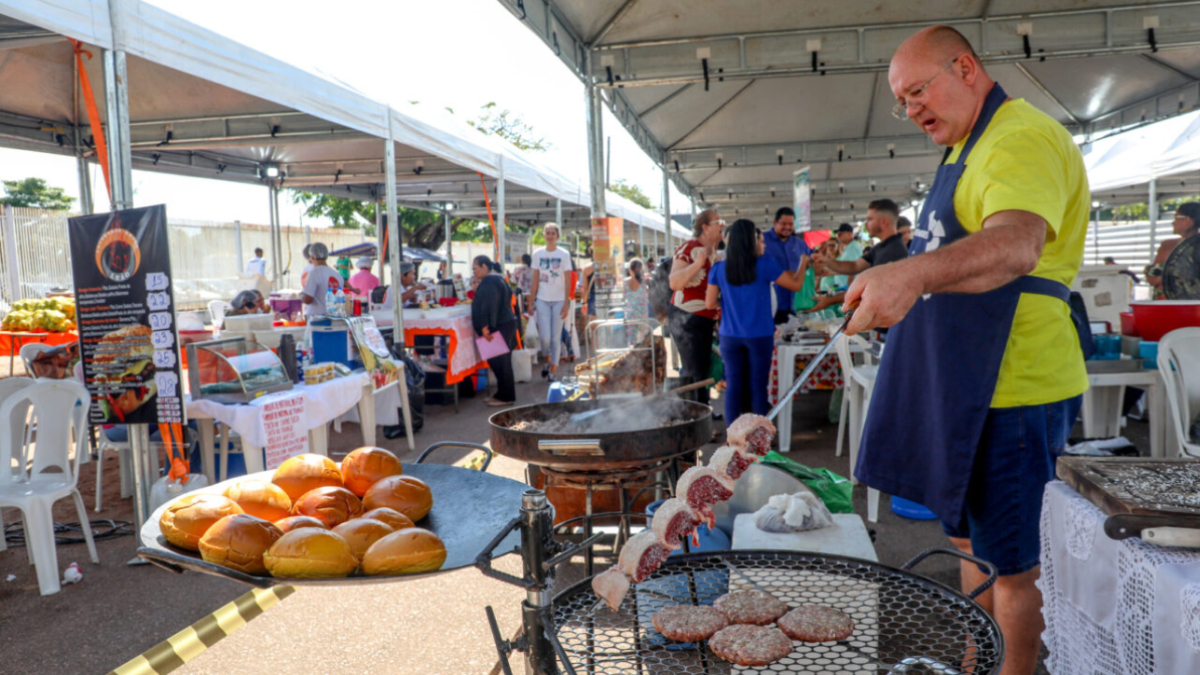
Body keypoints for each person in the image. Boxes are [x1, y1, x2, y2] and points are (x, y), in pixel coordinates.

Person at [845, 26, 1090, 675]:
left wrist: (912, 273)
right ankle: (977, 657)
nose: (911, 108)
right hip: (961, 381)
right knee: (968, 541)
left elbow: (1017, 244)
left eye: (919, 90)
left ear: (966, 66)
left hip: (1011, 384)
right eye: (902, 100)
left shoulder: (1017, 136)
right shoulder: (965, 147)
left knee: (1011, 566)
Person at [706, 220, 805, 424]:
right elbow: (795, 284)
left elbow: (709, 303)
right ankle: (760, 439)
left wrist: (726, 299)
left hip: (729, 336)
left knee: (733, 385)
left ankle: (732, 438)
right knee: (759, 385)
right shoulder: (766, 265)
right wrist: (803, 263)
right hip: (760, 335)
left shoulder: (719, 269)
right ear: (751, 242)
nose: (763, 244)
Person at [808, 199, 908, 313]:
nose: (866, 224)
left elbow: (869, 291)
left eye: (870, 219)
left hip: (888, 323)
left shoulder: (893, 251)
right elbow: (854, 266)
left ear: (883, 222)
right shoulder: (881, 247)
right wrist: (826, 261)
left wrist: (830, 300)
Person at [668, 209, 725, 408]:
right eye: (719, 221)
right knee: (694, 371)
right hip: (687, 317)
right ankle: (693, 416)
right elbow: (674, 282)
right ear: (705, 227)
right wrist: (697, 264)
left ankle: (701, 414)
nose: (723, 226)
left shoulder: (714, 254)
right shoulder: (690, 248)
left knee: (702, 369)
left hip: (704, 318)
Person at [470, 255, 518, 407]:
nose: (474, 272)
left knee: (501, 362)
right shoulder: (495, 279)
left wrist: (485, 327)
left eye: (475, 268)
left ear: (484, 266)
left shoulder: (490, 280)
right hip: (504, 323)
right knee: (499, 362)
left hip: (499, 325)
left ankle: (506, 397)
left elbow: (489, 305)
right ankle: (502, 394)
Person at [530, 222, 573, 381]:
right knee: (544, 337)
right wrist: (530, 301)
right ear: (543, 235)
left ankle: (553, 369)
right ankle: (547, 360)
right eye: (547, 233)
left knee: (555, 338)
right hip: (542, 299)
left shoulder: (564, 254)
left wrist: (567, 303)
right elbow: (535, 279)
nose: (549, 236)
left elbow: (568, 280)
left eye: (552, 233)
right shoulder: (537, 254)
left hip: (559, 300)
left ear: (557, 236)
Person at [762, 207, 812, 324]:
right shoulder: (762, 241)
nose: (788, 227)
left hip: (797, 305)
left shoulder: (800, 244)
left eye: (791, 224)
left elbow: (810, 265)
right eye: (783, 223)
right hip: (772, 306)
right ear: (775, 222)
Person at [1146, 202, 1200, 296]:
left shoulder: (1169, 246)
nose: (1173, 222)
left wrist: (1148, 270)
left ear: (1187, 220)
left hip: (1171, 304)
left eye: (1176, 217)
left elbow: (1154, 279)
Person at [301, 243, 357, 316]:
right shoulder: (337, 275)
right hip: (333, 318)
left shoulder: (314, 273)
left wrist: (300, 296)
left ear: (312, 257)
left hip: (316, 320)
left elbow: (308, 300)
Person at [623, 259, 651, 344]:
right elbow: (648, 295)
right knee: (644, 341)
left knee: (632, 341)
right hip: (642, 315)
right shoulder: (644, 281)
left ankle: (633, 356)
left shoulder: (625, 282)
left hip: (630, 314)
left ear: (630, 270)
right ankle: (643, 356)